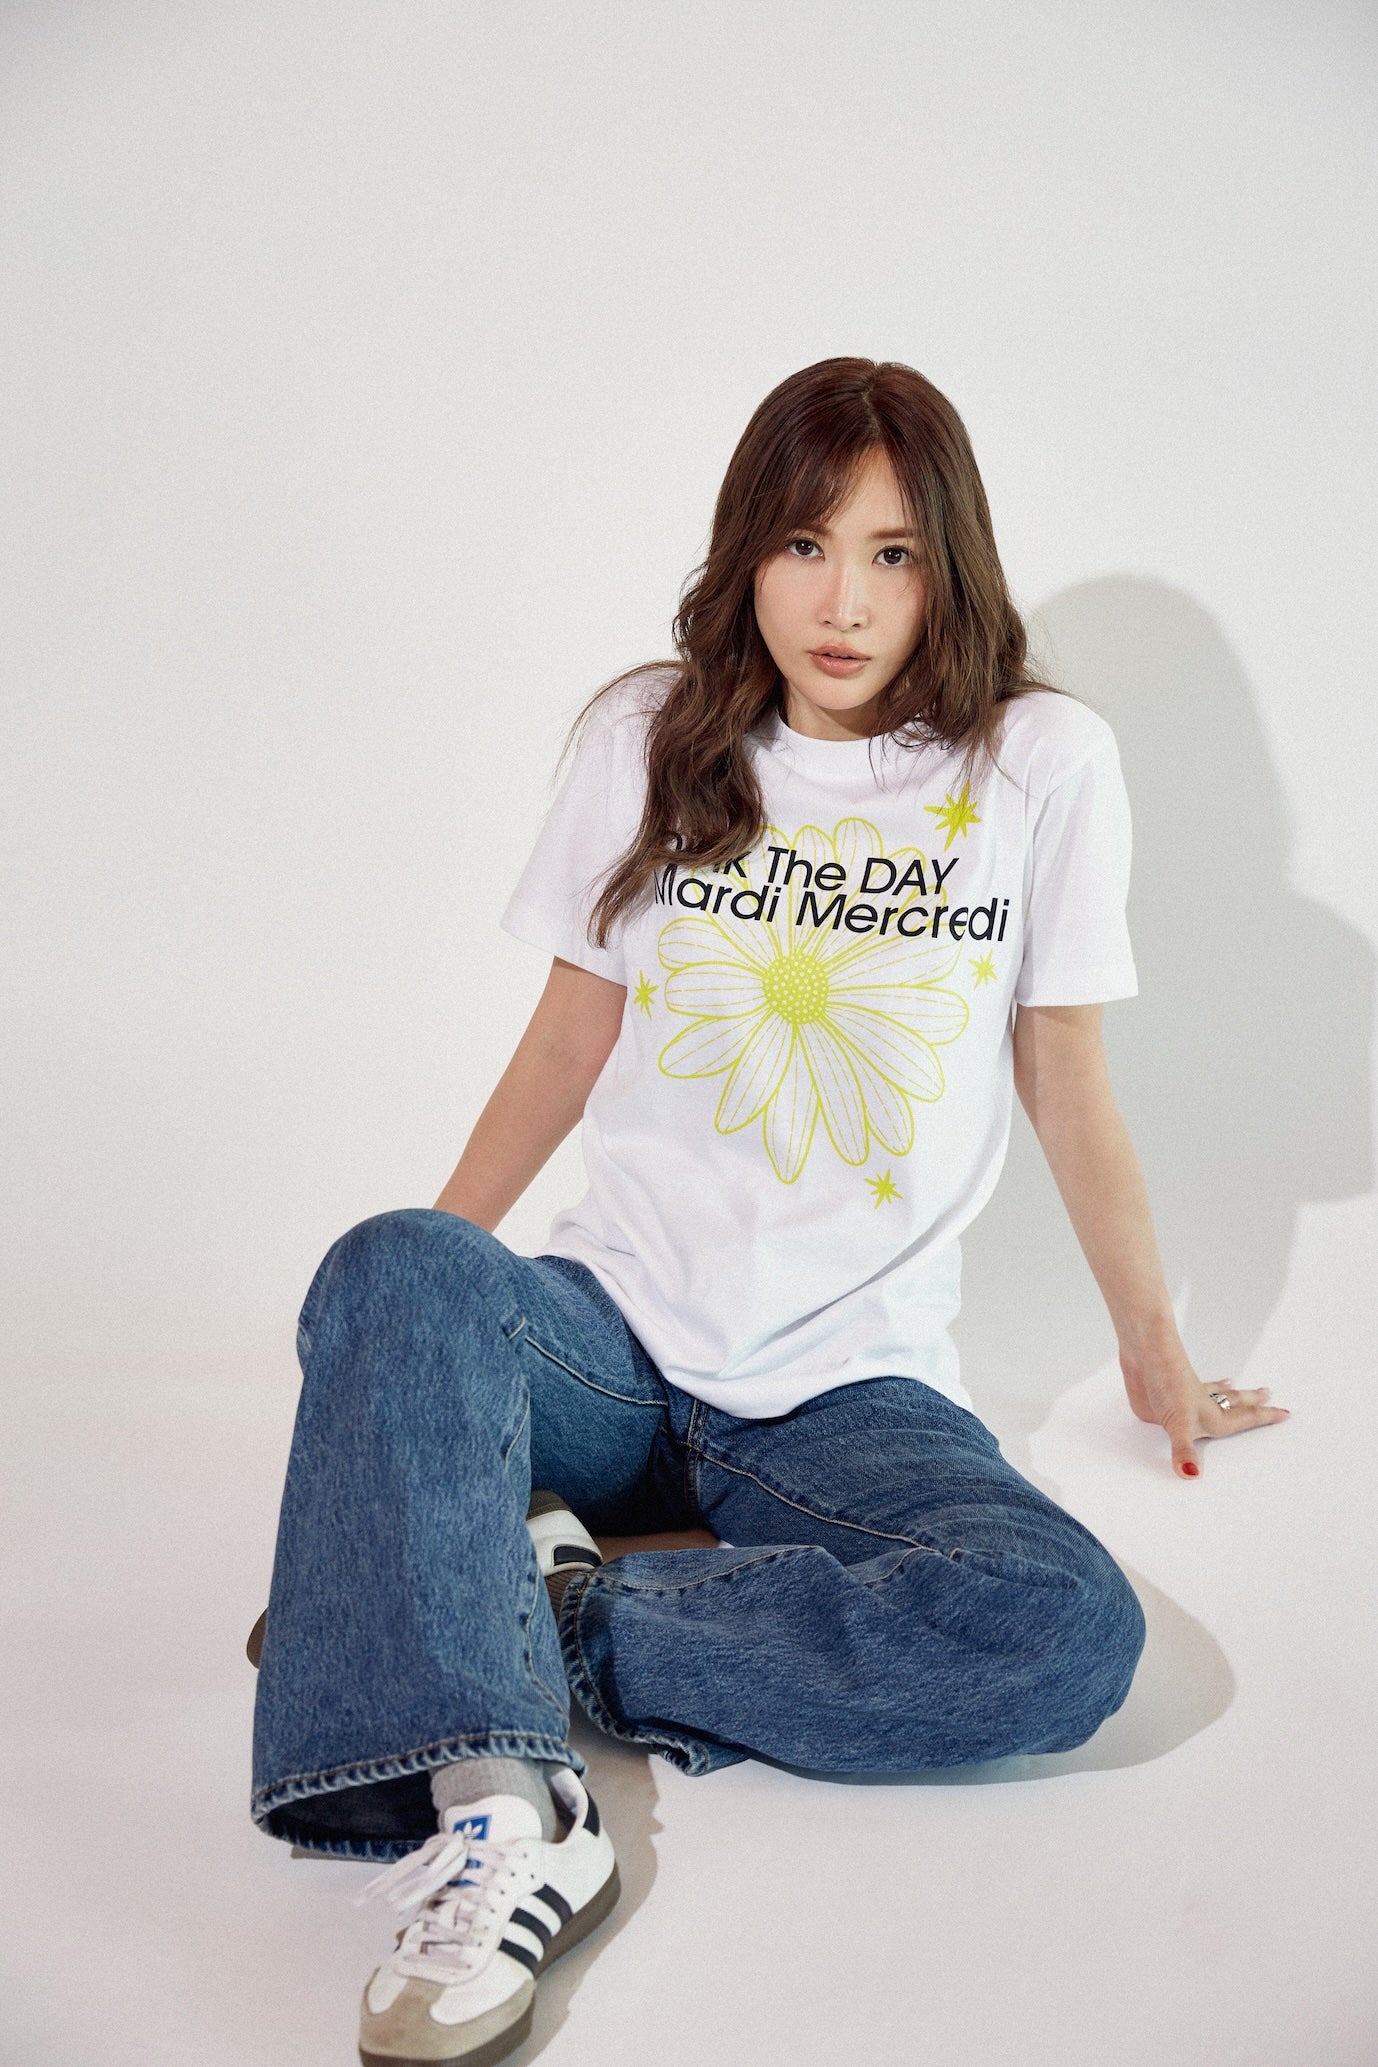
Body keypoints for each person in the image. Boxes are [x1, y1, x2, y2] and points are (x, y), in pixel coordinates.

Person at [248, 357, 1290, 2067]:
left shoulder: (1038, 764)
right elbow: (567, 1039)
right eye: (804, 546)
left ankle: (518, 1620)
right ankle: (508, 1808)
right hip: (604, 1340)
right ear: (746, 553)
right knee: (389, 1264)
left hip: (844, 1389)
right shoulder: (648, 732)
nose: (842, 602)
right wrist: (409, 1328)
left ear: (948, 566)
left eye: (891, 555)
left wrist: (1154, 1357)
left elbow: (1065, 1079)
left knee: (1061, 1632)